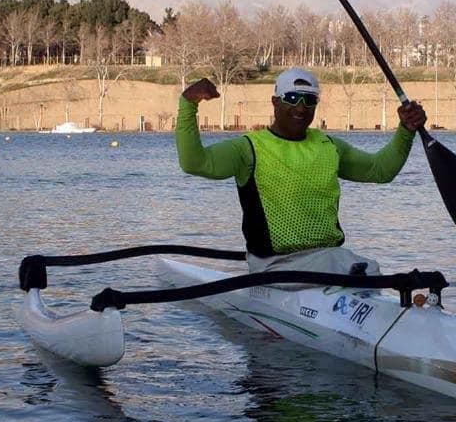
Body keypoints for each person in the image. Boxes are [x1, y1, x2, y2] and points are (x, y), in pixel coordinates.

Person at [176, 67, 427, 274]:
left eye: (309, 100)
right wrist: (189, 104)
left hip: (327, 260)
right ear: (275, 102)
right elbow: (194, 162)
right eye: (292, 98)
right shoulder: (248, 148)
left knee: (367, 270)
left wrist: (405, 130)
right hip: (275, 267)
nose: (301, 108)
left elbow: (380, 170)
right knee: (366, 271)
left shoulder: (329, 146)